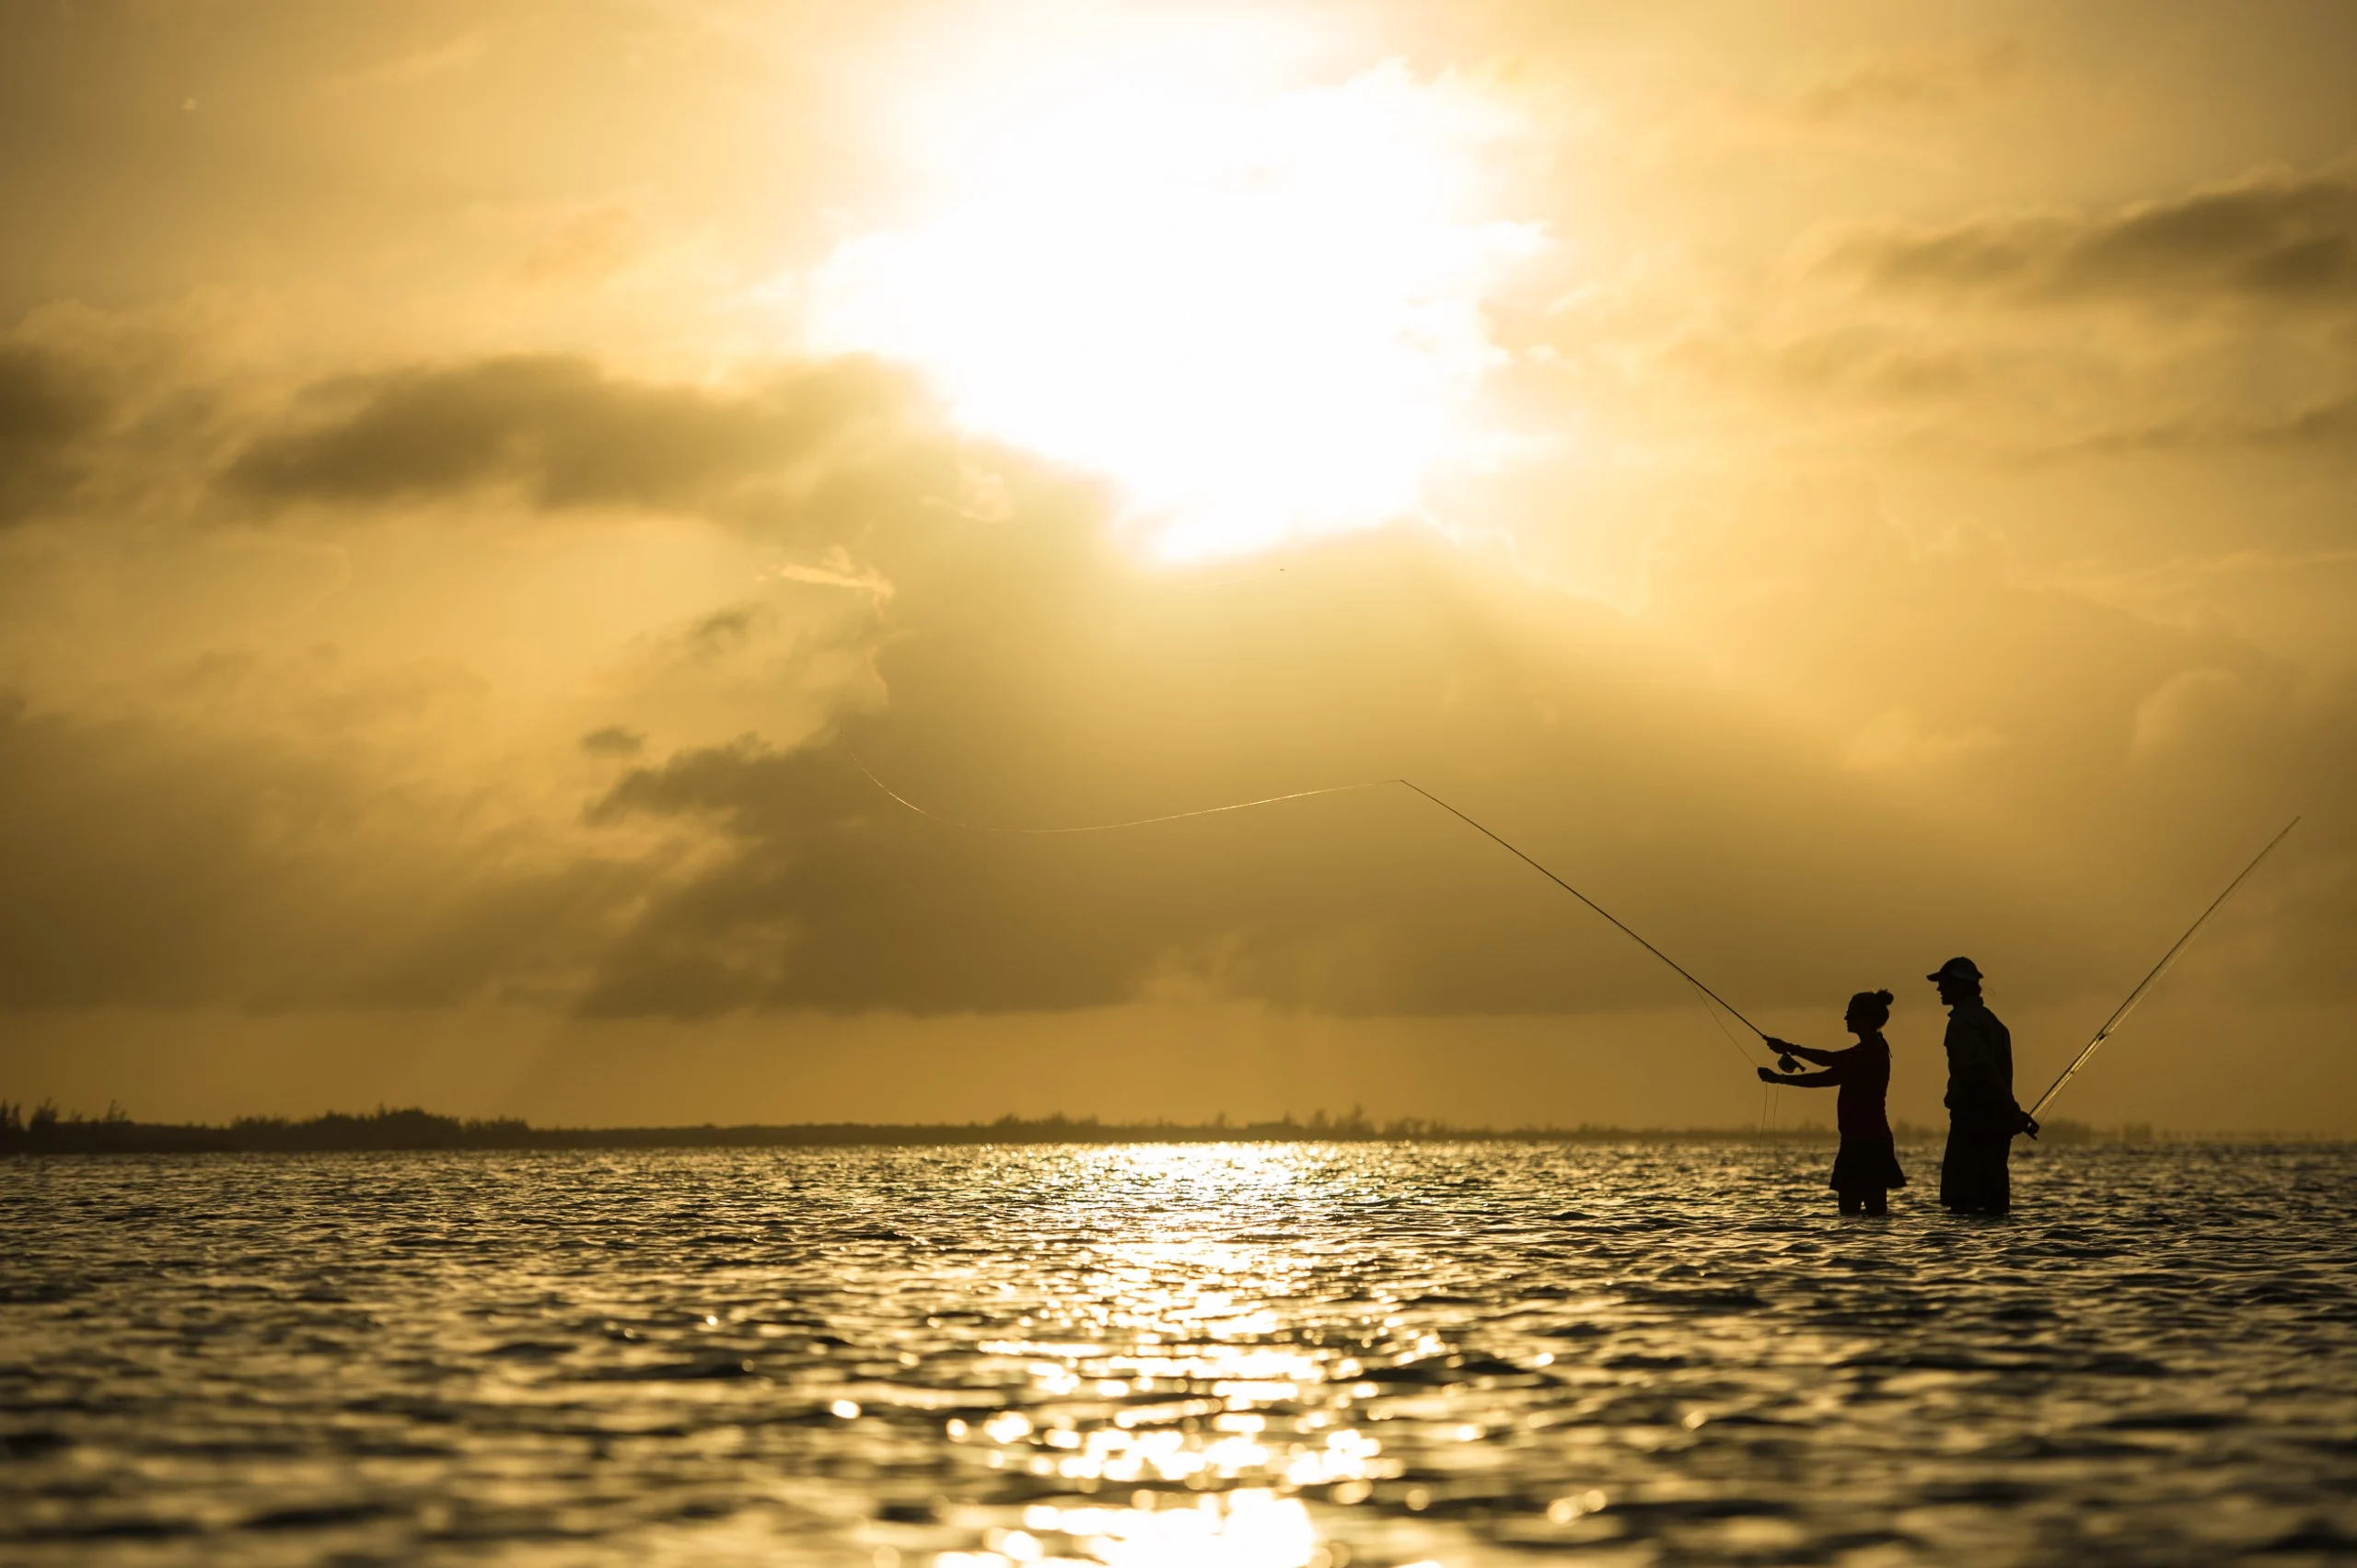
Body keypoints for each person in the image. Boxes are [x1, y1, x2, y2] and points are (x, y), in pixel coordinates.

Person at [1759, 990, 1907, 1215]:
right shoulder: (1868, 1049)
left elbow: (1827, 1077)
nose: (1845, 1018)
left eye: (1850, 1014)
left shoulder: (1870, 1054)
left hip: (1866, 1144)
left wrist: (1781, 1079)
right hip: (1861, 1141)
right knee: (1870, 1216)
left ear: (1864, 1018)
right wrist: (1789, 1048)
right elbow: (1830, 1058)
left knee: (1855, 1213)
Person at [1927, 956, 2037, 1215]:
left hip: (1972, 1124)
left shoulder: (1962, 1025)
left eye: (1945, 983)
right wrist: (2011, 1113)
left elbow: (1982, 1072)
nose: (1939, 989)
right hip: (1997, 1126)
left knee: (1962, 1203)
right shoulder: (1995, 1024)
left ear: (1961, 986)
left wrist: (2011, 1111)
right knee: (1993, 1207)